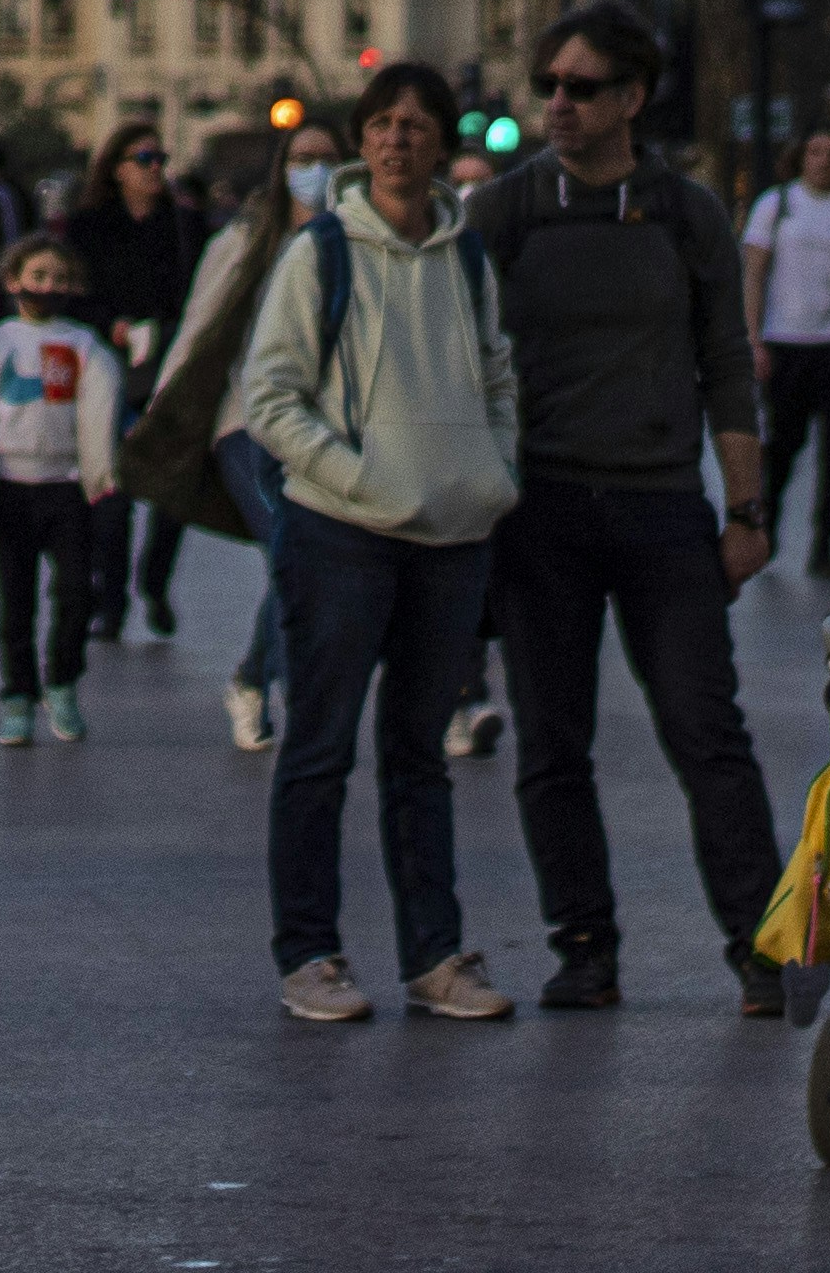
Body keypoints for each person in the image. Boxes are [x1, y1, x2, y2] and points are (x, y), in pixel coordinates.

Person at [465, 2, 788, 1019]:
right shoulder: (507, 211)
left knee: (706, 729)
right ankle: (583, 947)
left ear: (633, 98)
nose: (558, 103)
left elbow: (726, 362)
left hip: (661, 510)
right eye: (549, 85)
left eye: (582, 87)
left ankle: (761, 945)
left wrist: (747, 510)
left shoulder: (685, 213)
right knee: (552, 743)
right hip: (542, 513)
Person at [235, 64, 525, 1026]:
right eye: (382, 124)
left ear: (442, 143)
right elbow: (270, 397)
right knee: (318, 751)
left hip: (452, 536)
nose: (398, 140)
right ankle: (310, 955)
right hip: (340, 536)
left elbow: (498, 376)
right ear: (362, 141)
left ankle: (435, 958)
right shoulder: (320, 252)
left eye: (416, 125)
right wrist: (355, 475)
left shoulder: (466, 257)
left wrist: (495, 473)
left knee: (419, 758)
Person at [184, 103, 356, 750]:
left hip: (324, 430)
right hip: (246, 423)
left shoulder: (359, 242)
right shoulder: (245, 241)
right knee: (294, 549)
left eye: (327, 160)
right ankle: (276, 687)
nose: (315, 171)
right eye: (303, 159)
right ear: (282, 168)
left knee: (310, 557)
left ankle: (254, 677)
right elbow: (198, 333)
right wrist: (171, 424)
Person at [0, 233, 123, 745]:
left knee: (76, 592)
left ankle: (63, 682)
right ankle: (18, 696)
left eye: (59, 278)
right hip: (10, 487)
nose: (48, 286)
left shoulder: (83, 344)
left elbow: (99, 418)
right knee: (16, 602)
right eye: (38, 275)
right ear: (13, 280)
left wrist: (102, 481)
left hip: (68, 488)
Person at [64, 122, 209, 641]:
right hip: (109, 364)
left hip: (170, 364)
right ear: (117, 168)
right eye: (143, 159)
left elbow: (201, 293)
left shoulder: (184, 225)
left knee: (173, 486)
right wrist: (112, 324)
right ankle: (111, 599)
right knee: (112, 487)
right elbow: (75, 293)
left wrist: (170, 332)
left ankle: (154, 582)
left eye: (160, 159)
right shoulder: (88, 226)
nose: (154, 169)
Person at [739, 124, 830, 579]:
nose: (823, 161)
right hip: (786, 342)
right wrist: (753, 339)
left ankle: (824, 546)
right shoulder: (775, 205)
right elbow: (753, 275)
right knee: (783, 446)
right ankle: (769, 530)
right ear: (800, 157)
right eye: (815, 151)